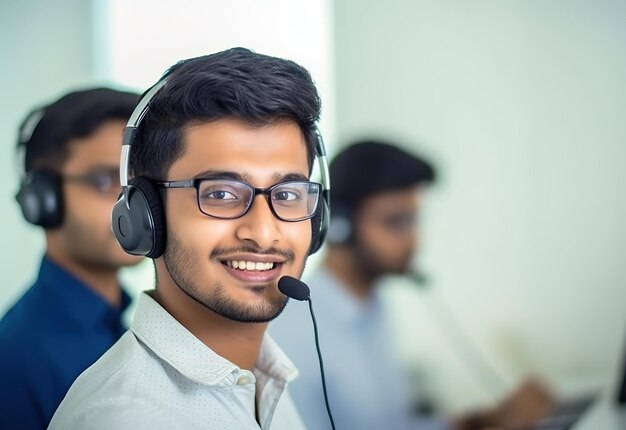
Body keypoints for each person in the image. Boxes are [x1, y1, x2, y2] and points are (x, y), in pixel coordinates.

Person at [49, 47, 328, 430]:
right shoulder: (125, 419)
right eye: (221, 194)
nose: (264, 233)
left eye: (287, 194)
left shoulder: (263, 381)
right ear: (146, 216)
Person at [270, 140, 553, 430]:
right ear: (340, 225)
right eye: (396, 222)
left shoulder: (374, 306)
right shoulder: (295, 331)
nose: (414, 239)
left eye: (414, 219)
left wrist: (482, 422)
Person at [0, 87, 142, 430]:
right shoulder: (15, 360)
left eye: (141, 183)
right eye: (108, 180)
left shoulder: (122, 329)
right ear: (43, 198)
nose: (134, 206)